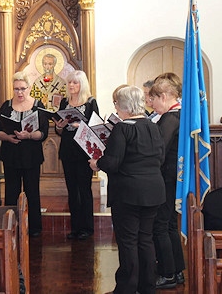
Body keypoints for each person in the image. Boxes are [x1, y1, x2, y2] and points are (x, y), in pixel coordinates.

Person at [89, 85, 166, 294]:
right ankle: (147, 286)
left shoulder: (123, 129)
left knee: (128, 241)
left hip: (129, 193)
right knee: (146, 239)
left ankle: (126, 288)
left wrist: (97, 163)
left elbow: (112, 163)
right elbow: (161, 158)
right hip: (154, 190)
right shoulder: (154, 127)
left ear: (121, 105)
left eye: (115, 104)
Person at [0, 72, 48, 237]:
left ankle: (34, 228)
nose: (19, 92)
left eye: (23, 89)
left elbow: (44, 132)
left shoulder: (38, 106)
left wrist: (30, 135)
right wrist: (7, 137)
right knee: (11, 191)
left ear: (29, 88)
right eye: (16, 89)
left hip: (31, 154)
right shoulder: (6, 106)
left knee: (32, 191)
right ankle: (11, 226)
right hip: (11, 154)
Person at [148, 73, 185, 289]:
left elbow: (158, 150)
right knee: (170, 224)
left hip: (165, 178)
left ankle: (167, 273)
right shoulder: (180, 114)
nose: (151, 105)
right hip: (173, 177)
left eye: (153, 99)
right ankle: (177, 270)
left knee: (160, 225)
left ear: (163, 96)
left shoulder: (170, 118)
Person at [54, 70, 100, 240]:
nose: (72, 85)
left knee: (84, 189)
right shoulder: (65, 102)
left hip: (84, 151)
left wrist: (79, 125)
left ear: (82, 85)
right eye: (70, 82)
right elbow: (60, 130)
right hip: (67, 149)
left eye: (75, 83)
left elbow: (96, 127)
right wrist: (61, 125)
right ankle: (75, 227)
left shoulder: (90, 102)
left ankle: (87, 227)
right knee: (72, 190)